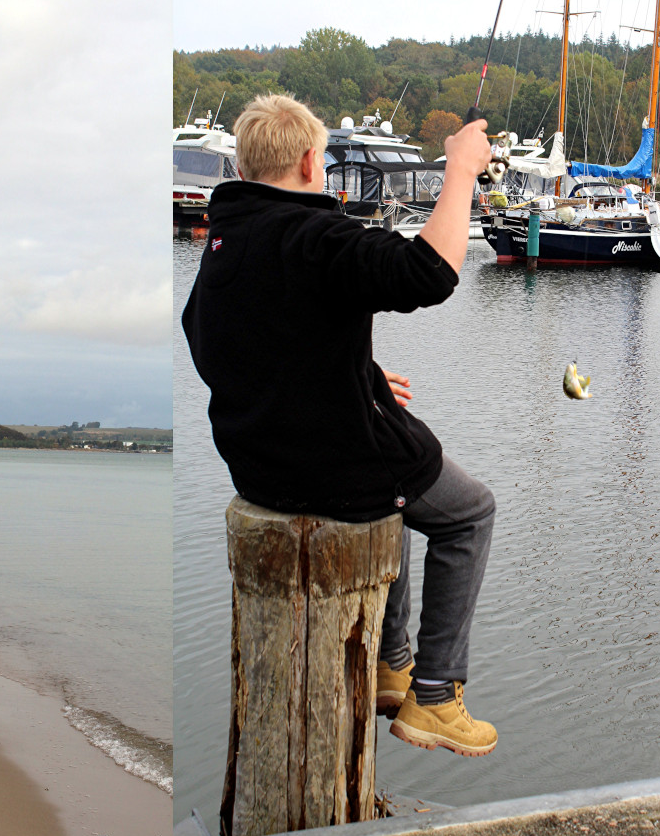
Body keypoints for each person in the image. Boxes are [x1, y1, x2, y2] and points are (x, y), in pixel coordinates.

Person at [182, 93, 499, 757]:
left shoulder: (225, 239)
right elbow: (429, 274)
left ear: (245, 164)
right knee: (468, 511)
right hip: (332, 469)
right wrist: (461, 171)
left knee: (401, 490)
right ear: (308, 161)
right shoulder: (320, 237)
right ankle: (436, 695)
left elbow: (230, 336)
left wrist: (362, 378)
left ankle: (392, 664)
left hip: (261, 469)